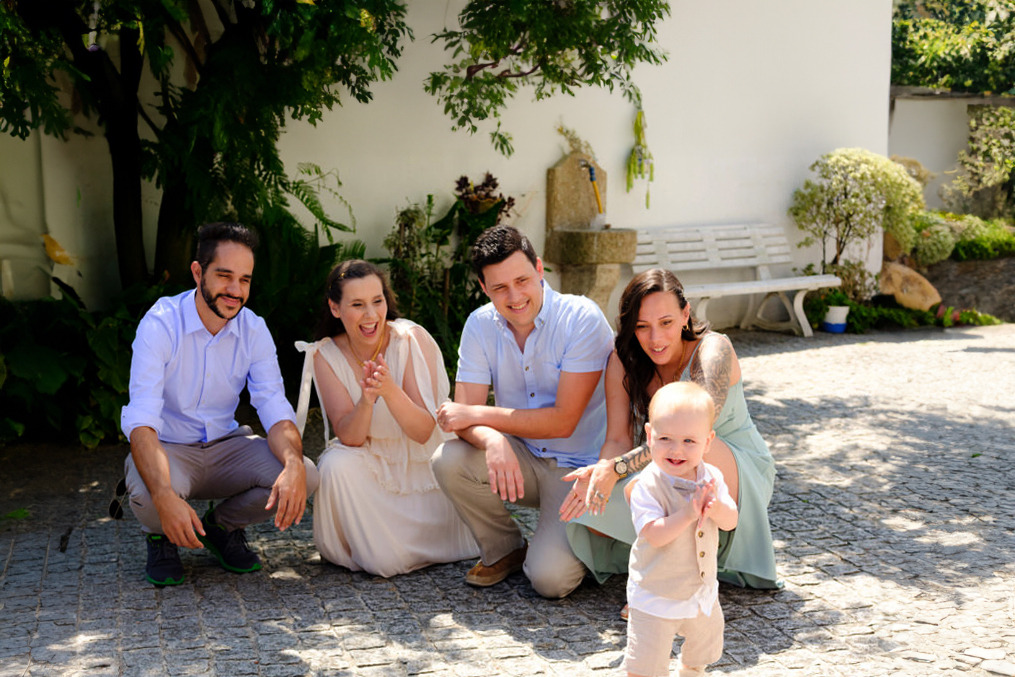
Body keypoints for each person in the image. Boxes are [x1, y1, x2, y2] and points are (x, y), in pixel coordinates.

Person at [120, 221, 319, 586]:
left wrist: (292, 462)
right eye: (224, 276)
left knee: (307, 472)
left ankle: (220, 528)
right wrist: (164, 495)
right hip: (170, 450)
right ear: (198, 272)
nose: (235, 290)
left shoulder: (253, 329)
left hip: (226, 446)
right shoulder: (160, 324)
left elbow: (274, 406)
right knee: (150, 494)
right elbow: (142, 420)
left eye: (244, 280)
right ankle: (161, 536)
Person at [560, 268, 780, 592]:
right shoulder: (623, 360)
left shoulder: (714, 350)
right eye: (642, 327)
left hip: (728, 460)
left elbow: (691, 432)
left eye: (666, 322)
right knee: (595, 519)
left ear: (685, 314)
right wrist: (600, 477)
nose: (655, 339)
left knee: (686, 445)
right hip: (666, 460)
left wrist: (617, 469)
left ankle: (667, 583)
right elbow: (618, 439)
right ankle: (663, 555)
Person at [431, 225, 615, 598]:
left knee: (551, 581)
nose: (514, 296)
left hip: (578, 468)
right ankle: (506, 549)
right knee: (448, 460)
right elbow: (464, 418)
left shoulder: (581, 318)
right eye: (499, 287)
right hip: (522, 461)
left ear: (540, 269)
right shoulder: (479, 325)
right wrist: (494, 439)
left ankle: (605, 538)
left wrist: (484, 419)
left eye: (522, 280)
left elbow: (563, 421)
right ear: (484, 288)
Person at [294, 260, 478, 576]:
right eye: (357, 304)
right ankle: (381, 551)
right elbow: (349, 437)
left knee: (438, 461)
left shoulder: (409, 339)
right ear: (335, 309)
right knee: (335, 465)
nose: (371, 315)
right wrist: (366, 400)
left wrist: (390, 390)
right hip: (372, 463)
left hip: (422, 461)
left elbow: (423, 431)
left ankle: (426, 544)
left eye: (377, 301)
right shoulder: (324, 355)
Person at [623, 381, 736, 677]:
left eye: (689, 441)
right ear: (649, 436)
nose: (676, 450)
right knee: (646, 663)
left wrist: (717, 507)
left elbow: (731, 520)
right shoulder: (647, 485)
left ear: (707, 442)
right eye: (665, 439)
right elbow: (654, 534)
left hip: (700, 591)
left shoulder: (712, 476)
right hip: (655, 593)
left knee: (702, 646)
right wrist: (688, 513)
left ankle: (691, 670)